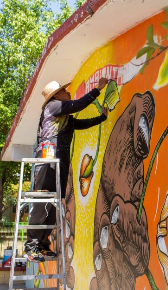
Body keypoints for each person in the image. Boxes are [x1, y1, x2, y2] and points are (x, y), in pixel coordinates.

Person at [27, 79, 110, 258]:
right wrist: (98, 89)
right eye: (65, 91)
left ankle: (42, 244)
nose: (69, 93)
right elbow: (78, 104)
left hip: (59, 163)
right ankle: (31, 246)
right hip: (47, 162)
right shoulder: (53, 106)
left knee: (53, 206)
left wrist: (102, 118)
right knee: (42, 203)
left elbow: (79, 124)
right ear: (56, 95)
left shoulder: (63, 117)